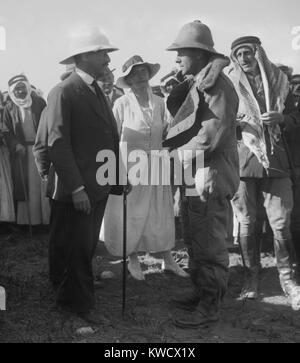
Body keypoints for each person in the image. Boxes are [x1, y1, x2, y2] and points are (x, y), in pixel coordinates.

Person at [42, 25, 122, 324]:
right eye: (102, 53)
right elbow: (57, 144)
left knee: (85, 246)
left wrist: (116, 177)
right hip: (80, 190)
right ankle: (81, 305)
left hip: (97, 186)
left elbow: (109, 138)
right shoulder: (64, 91)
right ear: (84, 56)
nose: (108, 59)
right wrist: (76, 189)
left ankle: (70, 291)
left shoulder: (95, 90)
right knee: (76, 246)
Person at [163, 20, 240, 327]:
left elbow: (211, 137)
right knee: (194, 236)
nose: (177, 58)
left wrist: (172, 157)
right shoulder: (200, 82)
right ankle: (201, 290)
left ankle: (210, 305)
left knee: (208, 240)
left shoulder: (219, 86)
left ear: (198, 53)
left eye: (181, 52)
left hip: (210, 174)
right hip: (196, 172)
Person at [101, 55, 188, 281]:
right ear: (127, 80)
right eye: (134, 73)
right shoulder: (121, 104)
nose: (140, 76)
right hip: (130, 165)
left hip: (156, 163)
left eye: (144, 72)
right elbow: (111, 136)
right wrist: (116, 170)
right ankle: (132, 259)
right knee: (132, 212)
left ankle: (167, 259)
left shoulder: (159, 102)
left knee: (159, 211)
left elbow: (169, 131)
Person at [229, 36, 300, 309]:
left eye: (249, 53)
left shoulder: (280, 81)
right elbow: (219, 119)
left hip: (277, 160)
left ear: (259, 53)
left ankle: (287, 278)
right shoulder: (230, 83)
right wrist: (238, 124)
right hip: (245, 159)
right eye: (239, 54)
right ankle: (251, 277)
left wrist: (282, 119)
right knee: (247, 221)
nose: (245, 59)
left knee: (280, 222)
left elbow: (296, 117)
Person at [2, 75, 50, 227]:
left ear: (28, 87)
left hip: (40, 150)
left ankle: (46, 221)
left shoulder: (39, 103)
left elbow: (48, 124)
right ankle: (28, 223)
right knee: (25, 188)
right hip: (22, 154)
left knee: (43, 185)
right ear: (12, 92)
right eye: (16, 89)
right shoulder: (9, 108)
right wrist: (16, 144)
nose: (20, 91)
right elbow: (7, 132)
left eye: (22, 87)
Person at [0, 91, 15, 223]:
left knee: (4, 185)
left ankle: (5, 218)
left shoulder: (3, 112)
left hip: (2, 155)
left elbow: (6, 131)